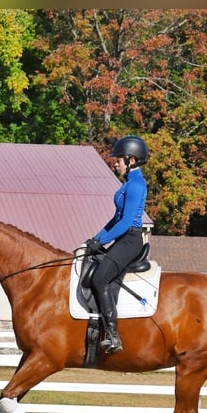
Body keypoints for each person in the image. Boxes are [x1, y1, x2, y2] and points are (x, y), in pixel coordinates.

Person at [85, 135, 149, 353]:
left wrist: (102, 240)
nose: (115, 163)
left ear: (131, 160)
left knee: (100, 278)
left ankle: (113, 336)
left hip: (131, 239)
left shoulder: (136, 185)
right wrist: (95, 239)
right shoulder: (128, 184)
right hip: (123, 236)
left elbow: (126, 222)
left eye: (119, 159)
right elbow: (115, 219)